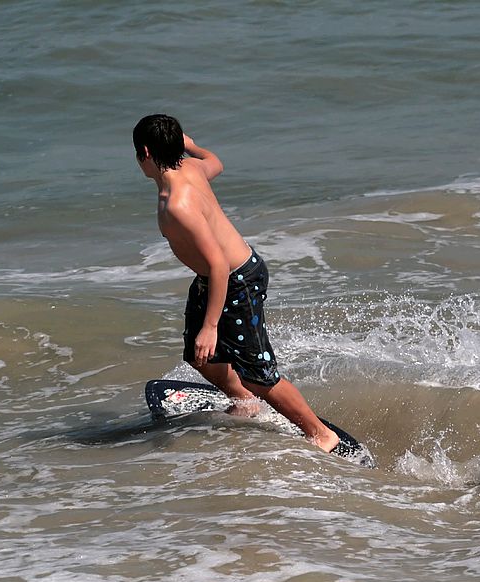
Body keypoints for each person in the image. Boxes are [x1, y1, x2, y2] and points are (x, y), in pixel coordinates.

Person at [132, 113, 346, 455]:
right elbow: (215, 161)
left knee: (258, 373)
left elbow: (218, 263)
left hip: (236, 280)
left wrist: (212, 325)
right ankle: (244, 400)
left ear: (144, 152)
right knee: (199, 356)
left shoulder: (178, 204)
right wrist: (193, 146)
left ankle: (319, 433)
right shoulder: (190, 167)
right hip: (215, 279)